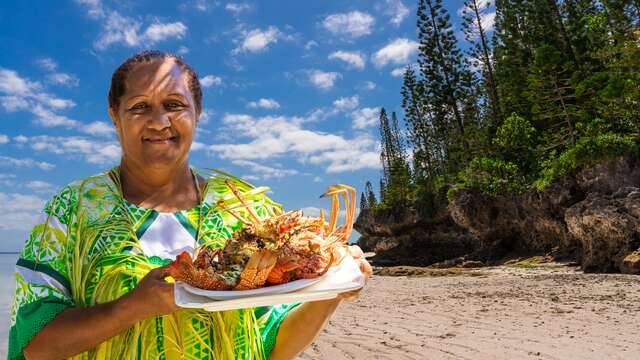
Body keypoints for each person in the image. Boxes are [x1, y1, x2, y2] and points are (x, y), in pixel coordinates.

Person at [8, 50, 372, 360]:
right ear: (114, 116)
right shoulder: (73, 209)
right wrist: (130, 307)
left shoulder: (246, 210)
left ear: (197, 111)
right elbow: (34, 344)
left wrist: (333, 290)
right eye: (139, 107)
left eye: (174, 105)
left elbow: (273, 347)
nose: (159, 121)